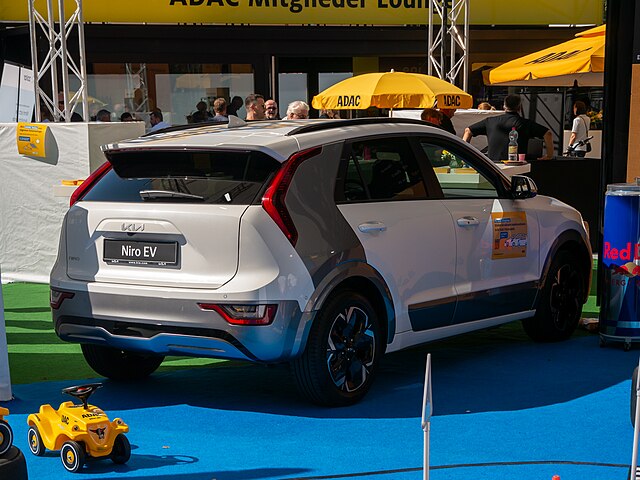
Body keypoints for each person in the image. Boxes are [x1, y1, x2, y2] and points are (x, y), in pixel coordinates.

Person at [462, 94, 554, 161]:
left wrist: (464, 154)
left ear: (504, 106)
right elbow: (548, 133)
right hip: (516, 166)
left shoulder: (490, 121)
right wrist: (549, 156)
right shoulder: (525, 123)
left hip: (494, 166)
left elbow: (468, 131)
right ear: (519, 108)